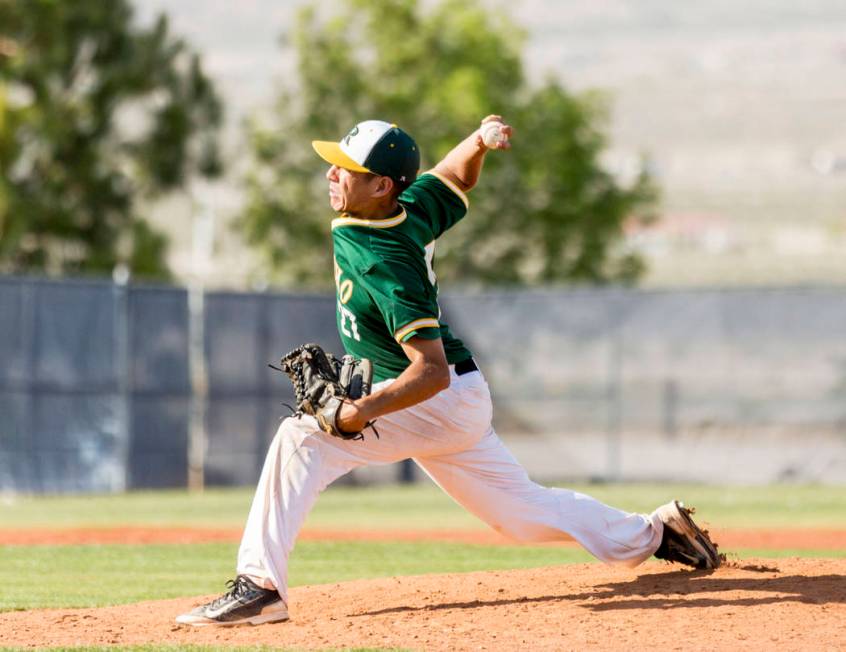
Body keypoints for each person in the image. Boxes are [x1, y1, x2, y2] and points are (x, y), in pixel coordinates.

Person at [176, 116, 720, 627]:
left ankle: (260, 587)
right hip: (457, 396)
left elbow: (430, 371)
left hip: (435, 395)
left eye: (348, 169)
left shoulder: (386, 258)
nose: (332, 173)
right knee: (520, 513)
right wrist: (480, 140)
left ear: (382, 186)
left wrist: (359, 411)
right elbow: (454, 175)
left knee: (301, 439)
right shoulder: (409, 206)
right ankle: (655, 533)